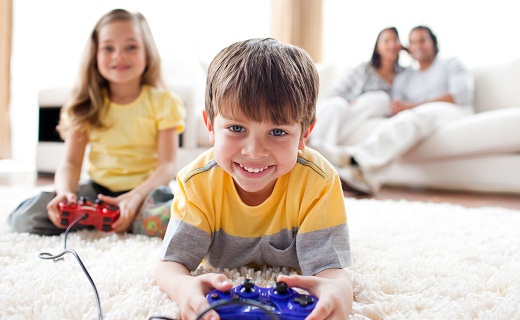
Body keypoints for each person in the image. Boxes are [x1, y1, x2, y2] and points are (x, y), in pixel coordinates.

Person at [154, 38, 353, 320]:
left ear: (305, 134)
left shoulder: (319, 183)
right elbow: (169, 266)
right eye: (236, 128)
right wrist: (183, 287)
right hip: (197, 206)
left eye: (278, 132)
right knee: (159, 217)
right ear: (210, 126)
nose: (254, 152)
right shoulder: (195, 182)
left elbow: (332, 272)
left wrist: (340, 292)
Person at [8, 9, 186, 237]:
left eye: (131, 47)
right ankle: (104, 217)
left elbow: (167, 166)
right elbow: (70, 163)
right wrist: (65, 194)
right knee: (26, 217)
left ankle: (121, 218)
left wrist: (134, 197)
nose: (119, 56)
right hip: (96, 193)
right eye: (108, 48)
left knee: (183, 218)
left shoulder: (164, 102)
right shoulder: (86, 103)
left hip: (145, 194)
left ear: (147, 52)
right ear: (95, 55)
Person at [326, 25, 475, 195]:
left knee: (415, 116)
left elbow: (460, 95)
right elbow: (396, 106)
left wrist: (414, 105)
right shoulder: (407, 77)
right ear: (407, 48)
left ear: (433, 43)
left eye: (422, 40)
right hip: (421, 116)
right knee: (403, 121)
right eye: (412, 42)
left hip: (454, 111)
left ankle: (353, 158)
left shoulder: (451, 63)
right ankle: (365, 177)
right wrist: (401, 107)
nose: (417, 45)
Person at [308, 27, 404, 153]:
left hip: (375, 110)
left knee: (381, 99)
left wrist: (412, 51)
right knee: (336, 104)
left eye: (395, 40)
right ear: (377, 47)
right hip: (348, 109)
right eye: (386, 41)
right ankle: (317, 147)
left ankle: (317, 150)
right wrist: (350, 101)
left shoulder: (405, 74)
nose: (392, 45)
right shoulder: (363, 69)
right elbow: (335, 92)